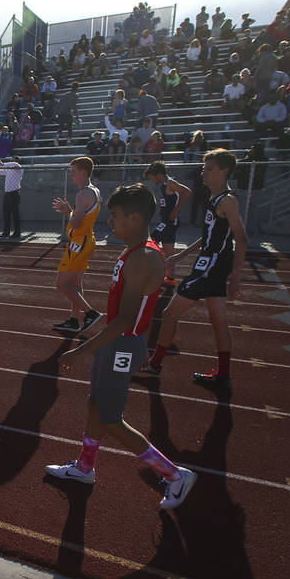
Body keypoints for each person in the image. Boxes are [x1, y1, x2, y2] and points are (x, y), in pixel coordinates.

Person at [45, 183, 197, 510]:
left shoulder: (143, 257)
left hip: (124, 345)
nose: (109, 222)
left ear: (135, 217)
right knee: (95, 404)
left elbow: (126, 320)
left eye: (115, 217)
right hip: (117, 342)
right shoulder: (133, 251)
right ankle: (84, 467)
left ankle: (174, 474)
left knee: (112, 418)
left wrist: (80, 349)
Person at [141, 149, 248, 388]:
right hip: (210, 266)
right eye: (203, 167)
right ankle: (223, 375)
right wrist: (182, 254)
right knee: (218, 320)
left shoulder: (228, 201)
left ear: (225, 171)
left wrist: (236, 276)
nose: (204, 172)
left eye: (210, 168)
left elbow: (241, 238)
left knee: (169, 314)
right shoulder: (215, 199)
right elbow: (210, 235)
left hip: (210, 269)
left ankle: (155, 363)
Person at [51, 157, 102, 334]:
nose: (71, 174)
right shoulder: (94, 190)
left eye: (73, 171)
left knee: (62, 284)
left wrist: (68, 211)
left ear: (83, 172)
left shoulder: (83, 195)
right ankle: (74, 319)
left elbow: (77, 222)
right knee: (75, 283)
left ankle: (90, 313)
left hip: (79, 242)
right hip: (86, 240)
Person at [143, 161, 191, 280]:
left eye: (151, 177)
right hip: (166, 221)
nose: (152, 181)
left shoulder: (170, 183)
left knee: (149, 243)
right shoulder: (164, 184)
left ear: (158, 175)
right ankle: (170, 278)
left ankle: (150, 273)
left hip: (168, 222)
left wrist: (176, 211)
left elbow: (187, 192)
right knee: (169, 253)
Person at [0, 155, 23, 238]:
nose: (12, 161)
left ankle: (17, 233)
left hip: (14, 193)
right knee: (6, 213)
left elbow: (13, 164)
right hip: (7, 194)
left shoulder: (18, 167)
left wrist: (1, 163)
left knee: (15, 214)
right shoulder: (9, 169)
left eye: (14, 160)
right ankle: (6, 232)